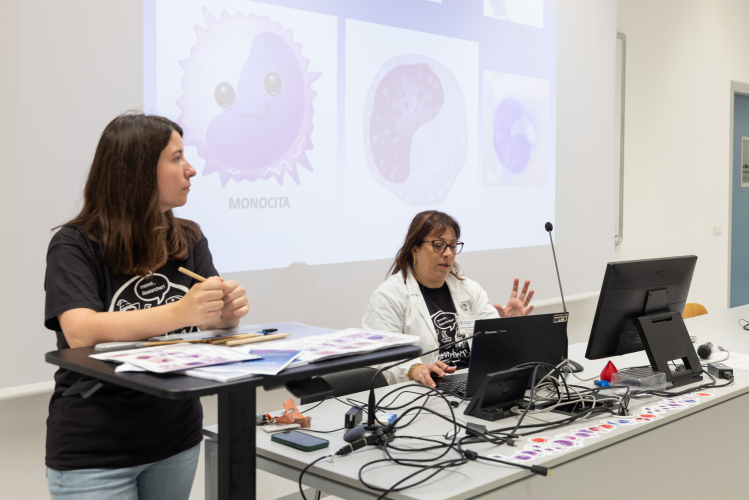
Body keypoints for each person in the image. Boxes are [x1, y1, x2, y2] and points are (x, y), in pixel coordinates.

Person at [43, 112, 249, 500]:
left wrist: (226, 312)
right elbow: (80, 331)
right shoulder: (75, 244)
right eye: (176, 158)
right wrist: (182, 312)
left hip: (176, 436)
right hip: (96, 449)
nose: (190, 169)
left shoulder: (188, 237)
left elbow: (212, 323)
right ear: (137, 172)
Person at [362, 210, 534, 388]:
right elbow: (381, 357)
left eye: (452, 246)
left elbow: (494, 347)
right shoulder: (389, 296)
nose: (448, 253)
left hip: (474, 384)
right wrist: (414, 369)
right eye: (438, 245)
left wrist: (508, 327)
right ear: (414, 249)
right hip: (423, 390)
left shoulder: (470, 290)